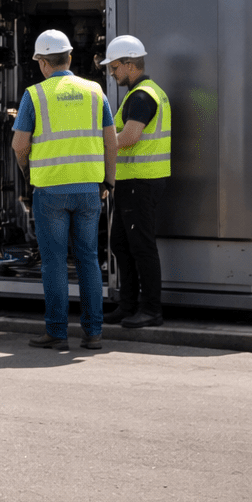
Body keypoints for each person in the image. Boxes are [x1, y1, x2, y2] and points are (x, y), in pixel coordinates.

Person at [10, 30, 117, 351]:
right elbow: (111, 142)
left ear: (43, 63)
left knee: (54, 263)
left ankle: (57, 333)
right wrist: (108, 182)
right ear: (69, 57)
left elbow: (19, 144)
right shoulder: (95, 91)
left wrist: (28, 172)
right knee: (88, 260)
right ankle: (93, 333)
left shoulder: (34, 95)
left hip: (50, 191)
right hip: (89, 189)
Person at [101, 35, 171, 328]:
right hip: (134, 182)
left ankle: (151, 310)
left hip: (140, 183)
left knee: (141, 246)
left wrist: (99, 148)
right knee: (120, 242)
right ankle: (128, 305)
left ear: (130, 65)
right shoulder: (144, 93)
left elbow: (129, 137)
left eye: (114, 67)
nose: (112, 73)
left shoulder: (142, 97)